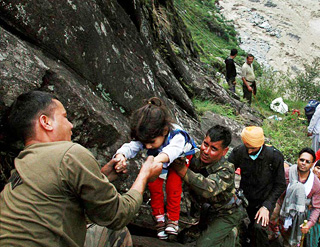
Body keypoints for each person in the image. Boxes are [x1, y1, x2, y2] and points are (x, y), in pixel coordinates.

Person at [0, 91, 162, 247]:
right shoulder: (69, 153)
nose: (71, 125)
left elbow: (58, 200)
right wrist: (144, 175)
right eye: (64, 117)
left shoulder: (20, 166)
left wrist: (103, 175)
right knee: (116, 233)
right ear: (46, 122)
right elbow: (118, 215)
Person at [114, 97, 197, 239]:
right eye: (144, 142)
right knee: (154, 185)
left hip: (180, 157)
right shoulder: (149, 136)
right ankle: (159, 219)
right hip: (160, 156)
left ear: (164, 131)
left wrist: (155, 161)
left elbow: (172, 152)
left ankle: (173, 219)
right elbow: (132, 146)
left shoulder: (177, 136)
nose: (147, 146)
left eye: (151, 142)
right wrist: (121, 155)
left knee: (173, 184)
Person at [171, 125, 245, 246]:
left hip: (226, 214)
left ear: (224, 151)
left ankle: (230, 236)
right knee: (183, 237)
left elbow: (207, 189)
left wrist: (182, 170)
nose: (206, 151)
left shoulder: (227, 170)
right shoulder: (194, 156)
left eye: (214, 149)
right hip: (205, 211)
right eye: (205, 144)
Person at [228, 126, 286, 246]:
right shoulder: (239, 151)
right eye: (247, 147)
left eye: (253, 148)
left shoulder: (274, 157)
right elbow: (226, 170)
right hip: (245, 198)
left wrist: (266, 206)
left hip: (264, 200)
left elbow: (280, 185)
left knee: (259, 228)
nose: (249, 152)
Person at [280, 148, 320, 247]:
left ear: (312, 164)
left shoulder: (315, 184)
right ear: (297, 160)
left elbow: (317, 207)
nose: (303, 163)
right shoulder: (287, 173)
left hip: (300, 215)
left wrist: (309, 223)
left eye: (307, 162)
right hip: (282, 207)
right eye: (302, 160)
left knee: (290, 241)